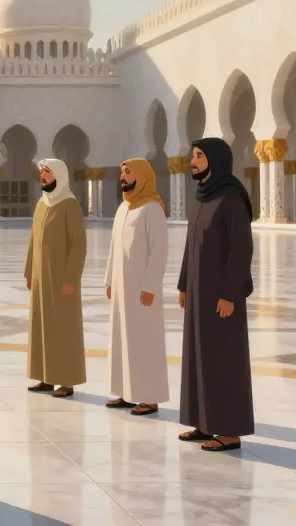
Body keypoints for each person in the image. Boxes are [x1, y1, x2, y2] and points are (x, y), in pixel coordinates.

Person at [178, 137, 255, 452]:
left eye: (198, 156)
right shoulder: (201, 199)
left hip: (221, 296)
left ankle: (229, 431)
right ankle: (204, 423)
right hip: (198, 293)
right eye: (192, 156)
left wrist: (230, 293)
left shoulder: (230, 199)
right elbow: (189, 247)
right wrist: (184, 284)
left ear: (216, 160)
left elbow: (241, 251)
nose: (192, 162)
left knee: (223, 360)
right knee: (199, 356)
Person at [103, 158, 169, 416]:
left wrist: (150, 286)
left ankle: (149, 397)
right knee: (122, 339)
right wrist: (109, 279)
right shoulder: (124, 208)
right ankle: (126, 392)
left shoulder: (152, 209)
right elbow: (113, 248)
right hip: (121, 288)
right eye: (122, 172)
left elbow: (159, 251)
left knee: (145, 342)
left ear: (142, 176)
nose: (123, 177)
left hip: (142, 291)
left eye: (128, 172)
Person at [25, 159, 87, 398]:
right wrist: (29, 271)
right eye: (41, 172)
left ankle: (67, 381)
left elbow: (78, 245)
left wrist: (71, 278)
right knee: (43, 327)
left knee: (64, 329)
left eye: (47, 172)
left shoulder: (70, 204)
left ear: (59, 176)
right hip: (41, 277)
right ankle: (45, 377)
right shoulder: (42, 203)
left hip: (61, 279)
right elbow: (33, 241)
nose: (42, 175)